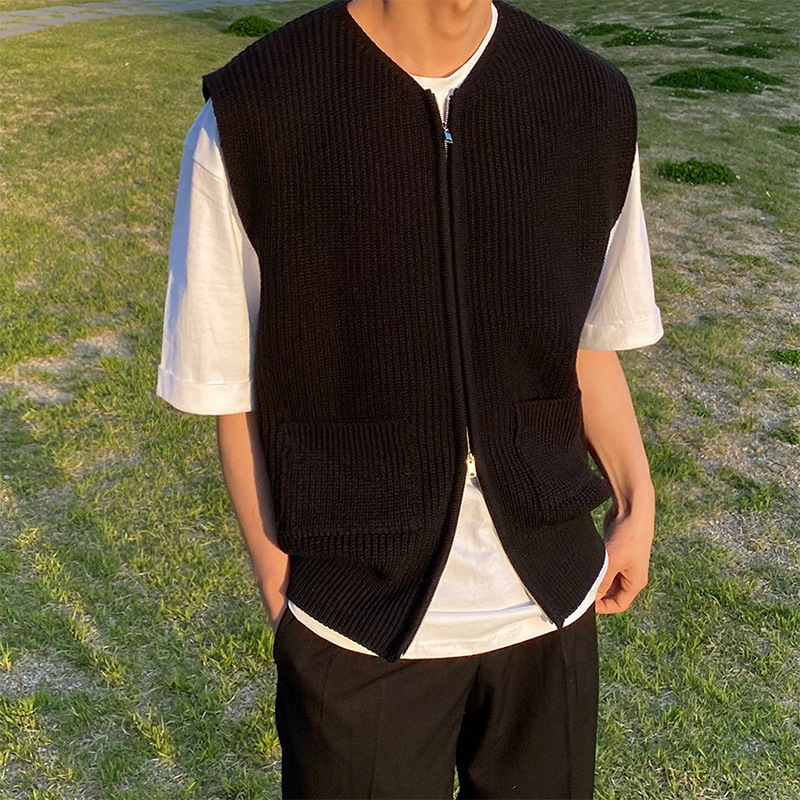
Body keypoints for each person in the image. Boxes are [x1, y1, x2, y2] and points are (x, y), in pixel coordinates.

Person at [157, 0, 662, 796]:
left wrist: (637, 497)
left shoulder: (588, 100)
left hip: (554, 603)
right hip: (353, 624)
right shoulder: (252, 113)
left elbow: (582, 336)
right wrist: (282, 591)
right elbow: (230, 387)